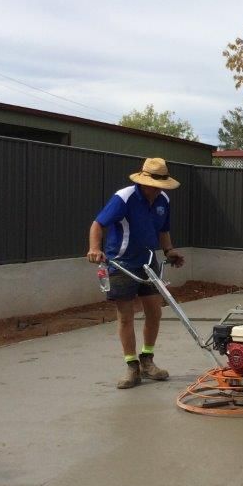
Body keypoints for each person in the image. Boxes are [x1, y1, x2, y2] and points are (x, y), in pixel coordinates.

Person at [87, 157, 185, 389]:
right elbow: (98, 224)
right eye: (154, 185)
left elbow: (163, 230)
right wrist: (94, 248)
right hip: (121, 263)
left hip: (148, 262)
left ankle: (147, 360)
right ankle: (132, 366)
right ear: (143, 181)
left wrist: (169, 251)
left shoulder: (163, 200)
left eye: (161, 185)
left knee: (154, 312)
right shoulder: (124, 197)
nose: (158, 189)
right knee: (126, 316)